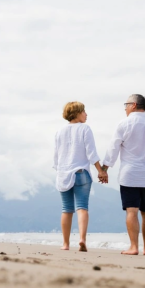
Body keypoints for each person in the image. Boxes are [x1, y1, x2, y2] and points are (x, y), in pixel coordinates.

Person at [102, 94, 145, 256]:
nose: (124, 108)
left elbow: (113, 149)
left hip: (130, 175)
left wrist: (104, 169)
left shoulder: (124, 124)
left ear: (133, 105)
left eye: (126, 104)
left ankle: (133, 247)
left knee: (132, 211)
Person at [54, 102, 108, 251]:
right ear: (76, 113)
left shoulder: (59, 131)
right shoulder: (85, 129)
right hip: (81, 173)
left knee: (66, 209)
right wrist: (101, 171)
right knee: (82, 208)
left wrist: (60, 171)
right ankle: (82, 239)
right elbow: (92, 153)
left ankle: (65, 244)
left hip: (63, 173)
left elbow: (56, 157)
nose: (86, 114)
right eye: (84, 111)